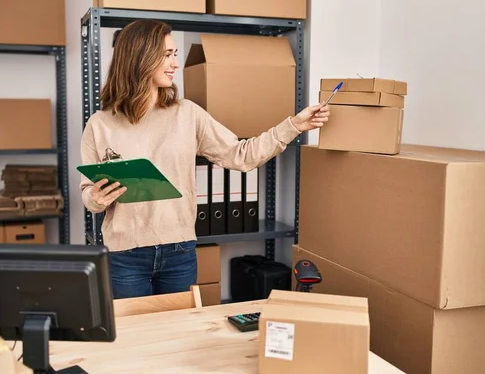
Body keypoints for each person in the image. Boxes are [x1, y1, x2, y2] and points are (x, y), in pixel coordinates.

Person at [80, 19, 330, 299]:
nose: (175, 63)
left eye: (175, 54)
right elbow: (88, 193)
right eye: (167, 55)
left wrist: (293, 126)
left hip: (179, 251)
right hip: (124, 255)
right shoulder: (99, 125)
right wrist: (96, 199)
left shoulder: (187, 114)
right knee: (136, 338)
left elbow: (241, 155)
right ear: (140, 56)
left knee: (182, 337)